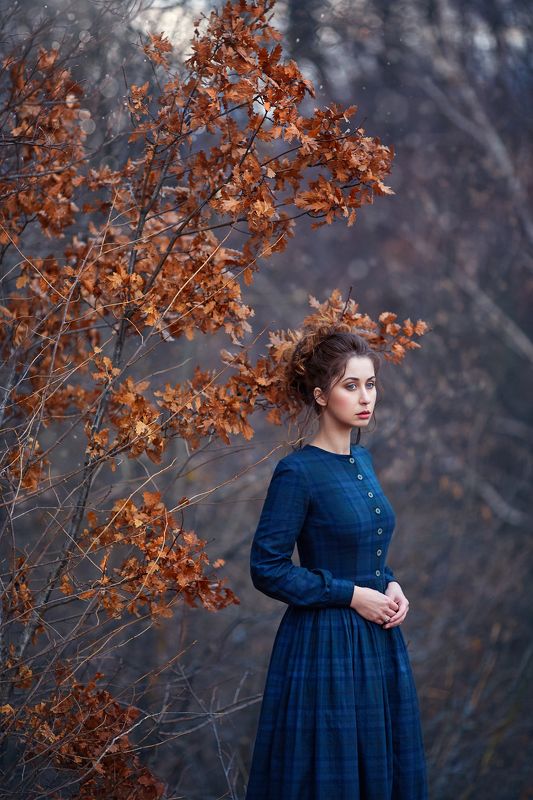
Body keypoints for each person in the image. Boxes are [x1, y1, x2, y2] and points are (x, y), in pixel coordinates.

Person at [245, 326, 428, 800]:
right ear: (322, 395)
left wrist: (391, 585)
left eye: (370, 385)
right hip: (324, 647)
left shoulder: (363, 460)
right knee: (332, 777)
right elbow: (267, 567)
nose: (365, 397)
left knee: (380, 773)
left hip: (379, 642)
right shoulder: (298, 471)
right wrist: (349, 595)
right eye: (351, 385)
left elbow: (367, 550)